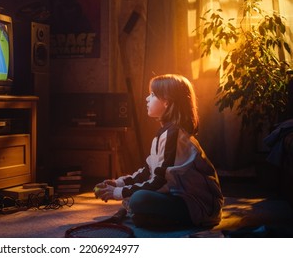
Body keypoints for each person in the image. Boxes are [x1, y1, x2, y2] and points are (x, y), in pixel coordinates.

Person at [94, 74, 224, 228]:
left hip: (199, 207)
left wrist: (117, 192)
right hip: (179, 197)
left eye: (152, 95)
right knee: (136, 199)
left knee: (138, 199)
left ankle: (156, 218)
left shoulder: (174, 135)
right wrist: (118, 182)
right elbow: (148, 172)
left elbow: (160, 182)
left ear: (167, 102)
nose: (147, 99)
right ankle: (150, 218)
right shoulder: (165, 133)